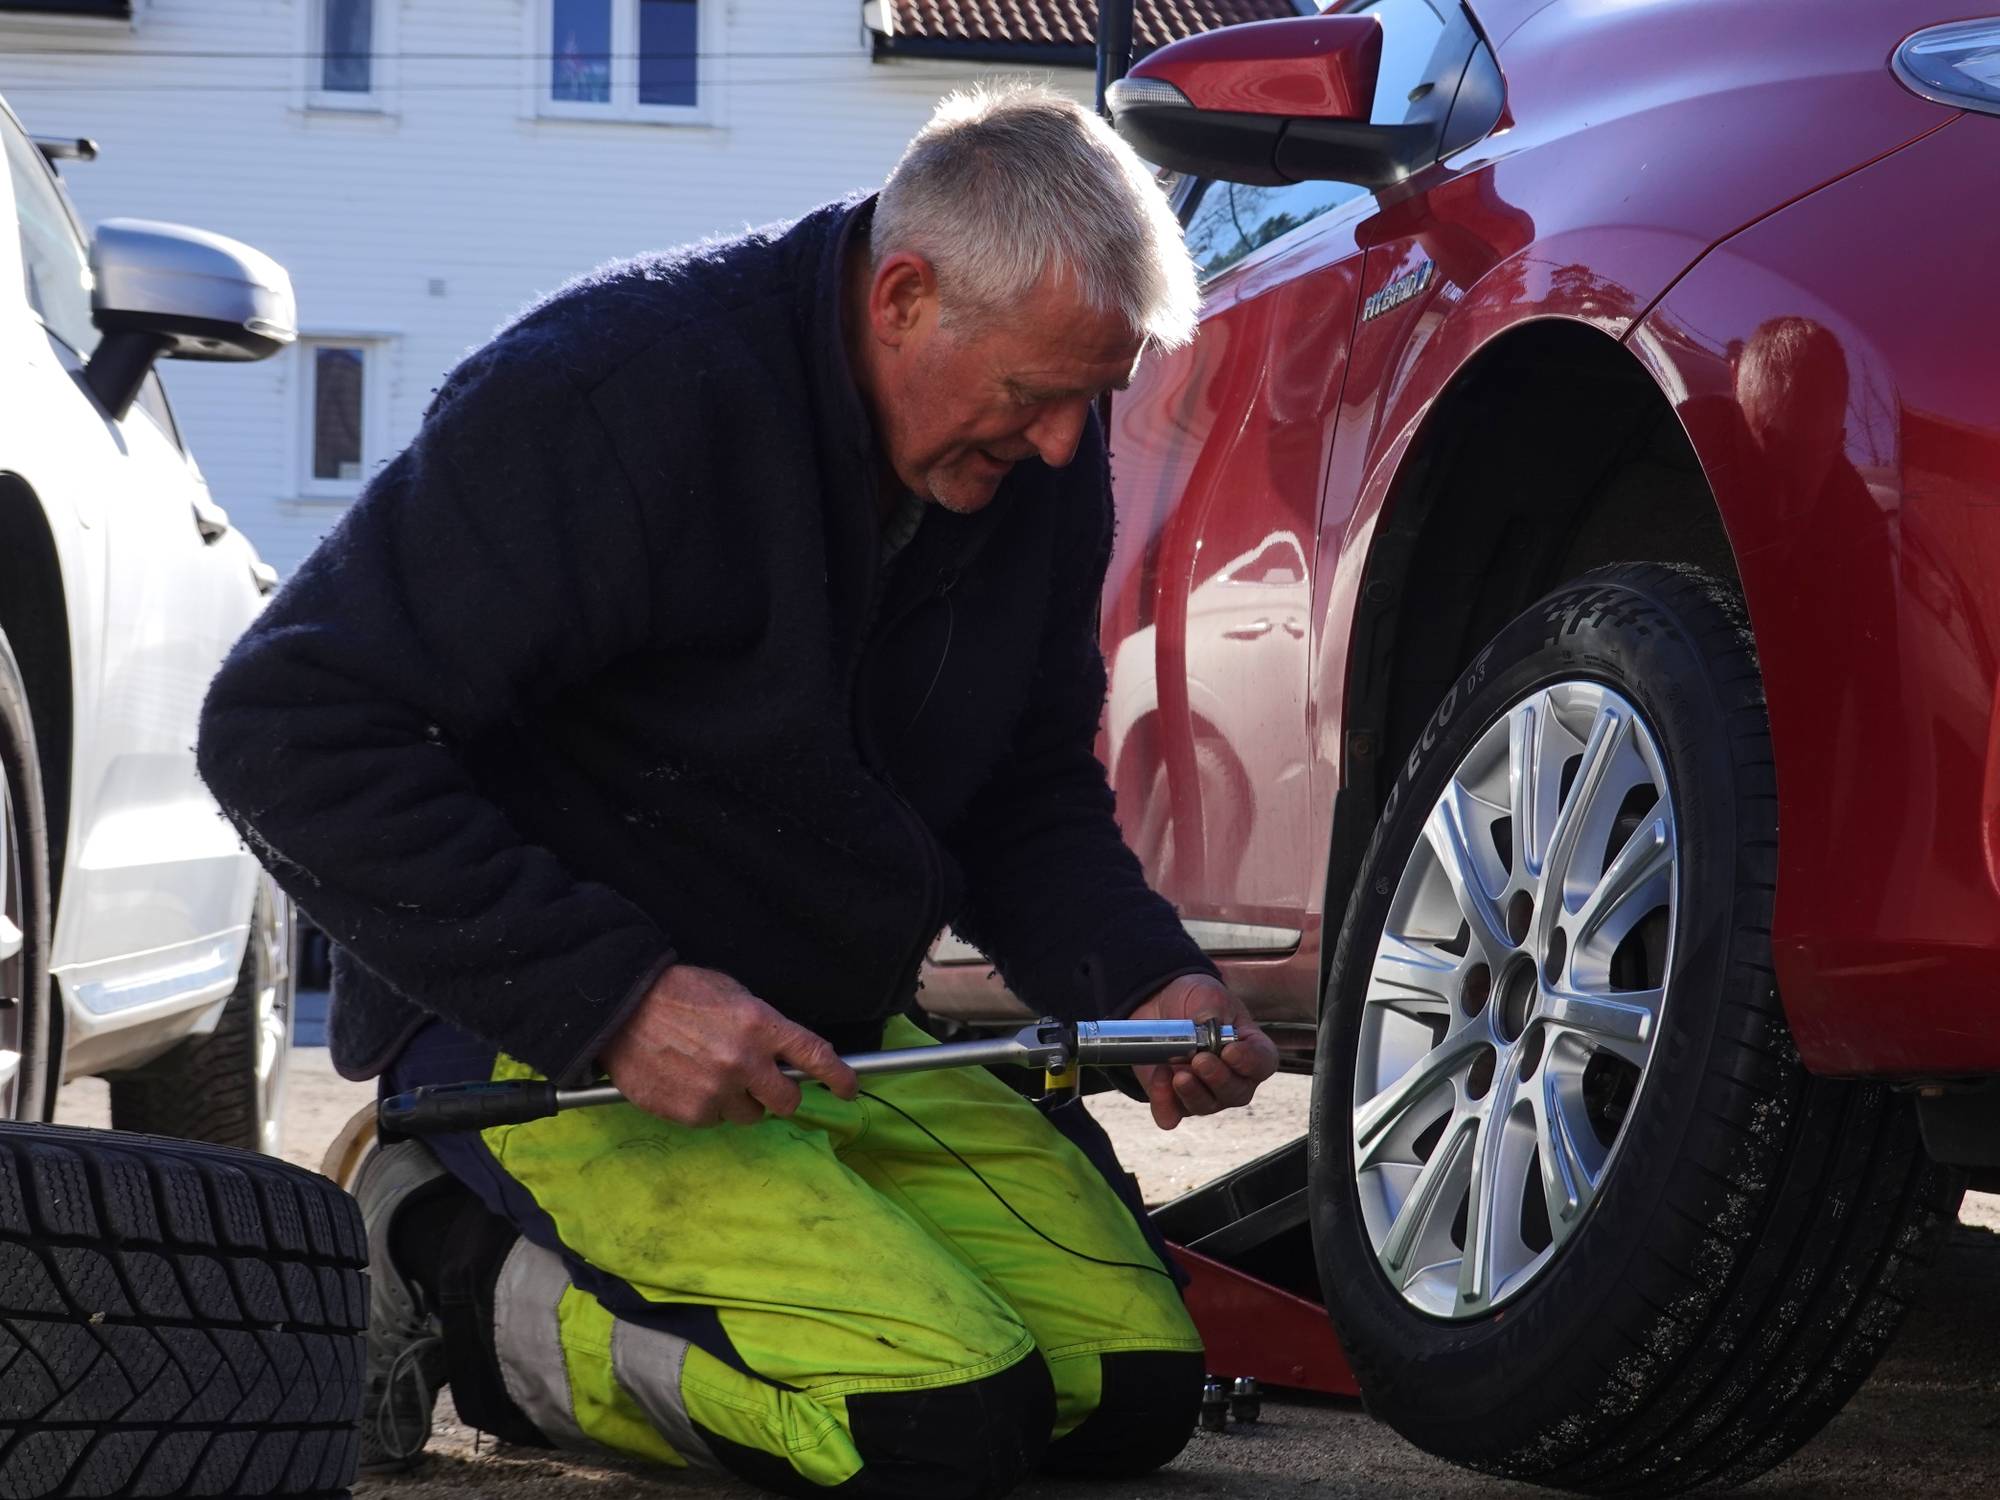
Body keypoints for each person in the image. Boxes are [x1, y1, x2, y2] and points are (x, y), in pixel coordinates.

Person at [196, 83, 1279, 1498]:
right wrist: (618, 999)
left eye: (1095, 396)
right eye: (1036, 395)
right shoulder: (617, 396)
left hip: (824, 1033)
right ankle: (450, 1262)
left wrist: (1146, 981)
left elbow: (1020, 788)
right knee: (931, 1428)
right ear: (903, 297)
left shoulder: (1023, 461)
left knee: (1130, 1390)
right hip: (552, 1041)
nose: (1071, 447)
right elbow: (285, 722)